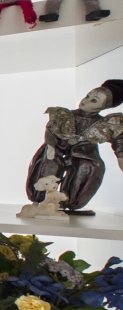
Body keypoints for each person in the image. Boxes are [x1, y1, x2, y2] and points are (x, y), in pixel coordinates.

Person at [26, 79, 123, 214]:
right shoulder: (65, 115)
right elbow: (51, 129)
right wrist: (51, 145)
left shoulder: (105, 124)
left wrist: (120, 157)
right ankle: (39, 197)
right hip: (58, 147)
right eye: (88, 96)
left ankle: (70, 201)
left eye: (94, 100)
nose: (85, 101)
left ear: (105, 106)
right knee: (48, 161)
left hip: (85, 152)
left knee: (91, 166)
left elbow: (119, 140)